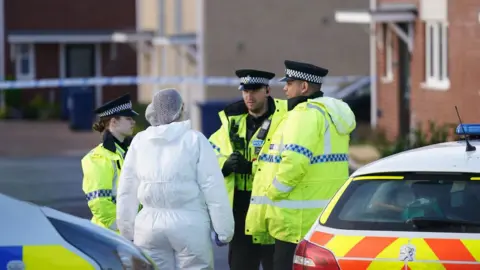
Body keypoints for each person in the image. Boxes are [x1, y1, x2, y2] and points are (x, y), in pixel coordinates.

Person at [116, 88, 234, 269]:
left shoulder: (140, 141)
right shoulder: (195, 140)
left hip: (148, 227)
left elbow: (127, 188)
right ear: (180, 109)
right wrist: (224, 230)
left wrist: (126, 229)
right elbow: (213, 186)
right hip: (190, 224)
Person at [262, 60, 356, 270]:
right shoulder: (331, 115)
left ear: (303, 87)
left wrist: (273, 193)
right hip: (323, 219)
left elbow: (294, 163)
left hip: (296, 223)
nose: (285, 88)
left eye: (290, 82)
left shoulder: (304, 115)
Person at [209, 69, 288, 270]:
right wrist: (224, 167)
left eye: (254, 90)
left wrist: (252, 167)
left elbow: (290, 161)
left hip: (272, 206)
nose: (249, 96)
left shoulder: (285, 119)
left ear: (268, 90)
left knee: (275, 265)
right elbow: (210, 154)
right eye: (245, 91)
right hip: (241, 207)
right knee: (240, 265)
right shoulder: (232, 120)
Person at [81, 93, 138, 231]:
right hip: (112, 237)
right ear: (114, 122)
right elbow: (99, 203)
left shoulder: (133, 151)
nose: (133, 122)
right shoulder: (97, 158)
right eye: (128, 118)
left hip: (135, 233)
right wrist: (125, 229)